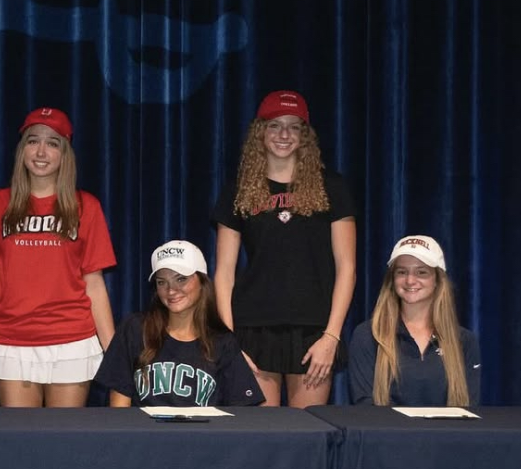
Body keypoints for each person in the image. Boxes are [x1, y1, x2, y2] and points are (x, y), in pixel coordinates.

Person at [212, 90, 357, 408]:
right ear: (259, 131)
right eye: (275, 125)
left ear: (305, 135)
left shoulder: (331, 186)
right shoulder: (238, 190)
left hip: (313, 331)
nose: (284, 134)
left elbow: (347, 267)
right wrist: (229, 339)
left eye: (294, 126)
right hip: (253, 329)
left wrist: (331, 336)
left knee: (308, 434)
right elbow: (223, 272)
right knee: (262, 437)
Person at [0, 107, 116, 407]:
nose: (41, 151)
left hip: (72, 340)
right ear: (22, 149)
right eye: (33, 141)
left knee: (66, 443)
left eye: (52, 143)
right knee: (20, 445)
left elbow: (95, 284)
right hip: (12, 341)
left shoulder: (86, 206)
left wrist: (113, 350)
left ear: (65, 154)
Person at [95, 240, 262, 408]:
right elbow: (119, 406)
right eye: (162, 282)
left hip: (204, 434)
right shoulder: (134, 329)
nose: (171, 290)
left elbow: (239, 412)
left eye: (181, 279)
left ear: (202, 281)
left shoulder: (222, 341)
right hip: (145, 433)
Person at [348, 235, 480, 406]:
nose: (410, 280)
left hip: (445, 433)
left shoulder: (464, 341)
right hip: (386, 433)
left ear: (437, 280)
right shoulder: (368, 335)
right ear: (392, 279)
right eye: (402, 272)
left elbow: (469, 409)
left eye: (421, 272)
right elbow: (364, 408)